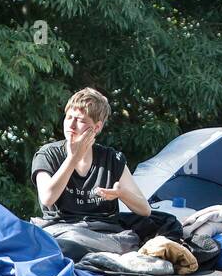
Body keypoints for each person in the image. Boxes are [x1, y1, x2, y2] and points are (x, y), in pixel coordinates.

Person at [31, 87, 185, 261]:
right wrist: (73, 157)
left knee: (166, 222)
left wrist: (121, 194)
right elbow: (47, 198)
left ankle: (136, 253)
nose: (71, 125)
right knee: (65, 245)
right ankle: (131, 255)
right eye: (68, 117)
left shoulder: (111, 158)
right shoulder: (48, 154)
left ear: (97, 127)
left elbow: (144, 210)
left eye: (80, 120)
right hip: (63, 229)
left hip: (106, 232)